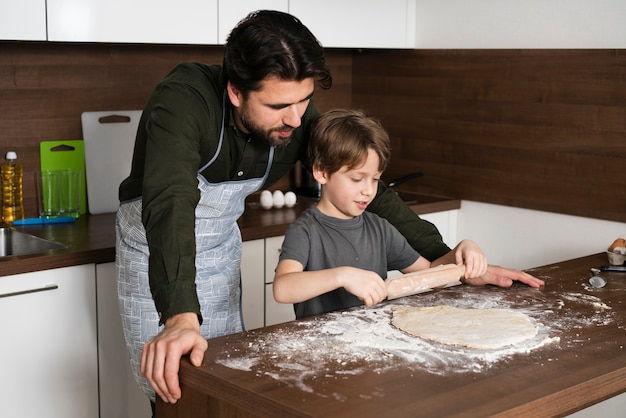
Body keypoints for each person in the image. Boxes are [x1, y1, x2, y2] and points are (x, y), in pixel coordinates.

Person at [116, 9, 543, 409]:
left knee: (223, 388)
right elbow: (170, 203)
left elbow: (373, 190)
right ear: (235, 91)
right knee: (177, 394)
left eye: (304, 101)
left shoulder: (296, 114)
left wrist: (450, 260)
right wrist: (179, 317)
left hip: (220, 250)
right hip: (155, 252)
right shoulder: (183, 100)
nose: (296, 120)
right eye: (280, 107)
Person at [273, 110, 540, 318]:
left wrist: (460, 254)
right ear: (321, 172)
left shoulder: (378, 228)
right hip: (320, 353)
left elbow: (429, 275)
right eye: (357, 179)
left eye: (375, 179)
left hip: (373, 343)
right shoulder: (306, 230)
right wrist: (342, 276)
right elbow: (283, 288)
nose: (368, 191)